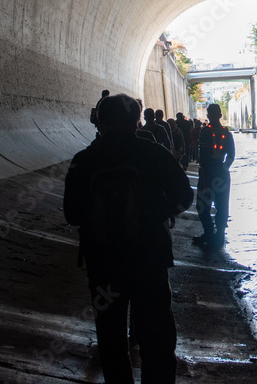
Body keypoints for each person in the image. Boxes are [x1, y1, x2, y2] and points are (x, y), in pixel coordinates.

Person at [64, 93, 193, 383]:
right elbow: (184, 195)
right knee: (156, 339)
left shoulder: (84, 161)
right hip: (149, 260)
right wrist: (154, 215)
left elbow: (72, 213)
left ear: (99, 122)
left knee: (111, 341)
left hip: (104, 266)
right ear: (136, 122)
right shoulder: (153, 153)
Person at [192, 104, 235, 249]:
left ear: (209, 115)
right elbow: (231, 155)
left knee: (203, 205)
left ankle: (209, 233)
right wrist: (223, 168)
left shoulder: (205, 132)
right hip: (222, 174)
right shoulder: (227, 133)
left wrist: (206, 170)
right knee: (222, 205)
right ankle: (220, 236)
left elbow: (202, 155)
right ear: (221, 115)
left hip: (207, 173)